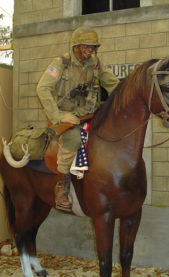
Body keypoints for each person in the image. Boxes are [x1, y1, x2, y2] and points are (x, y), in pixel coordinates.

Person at [37, 27, 119, 211]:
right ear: (76, 46)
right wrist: (58, 116)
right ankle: (62, 186)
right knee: (74, 139)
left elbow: (114, 85)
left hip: (90, 113)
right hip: (66, 117)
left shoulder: (96, 63)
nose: (90, 51)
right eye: (86, 47)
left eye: (92, 47)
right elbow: (42, 89)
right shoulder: (61, 63)